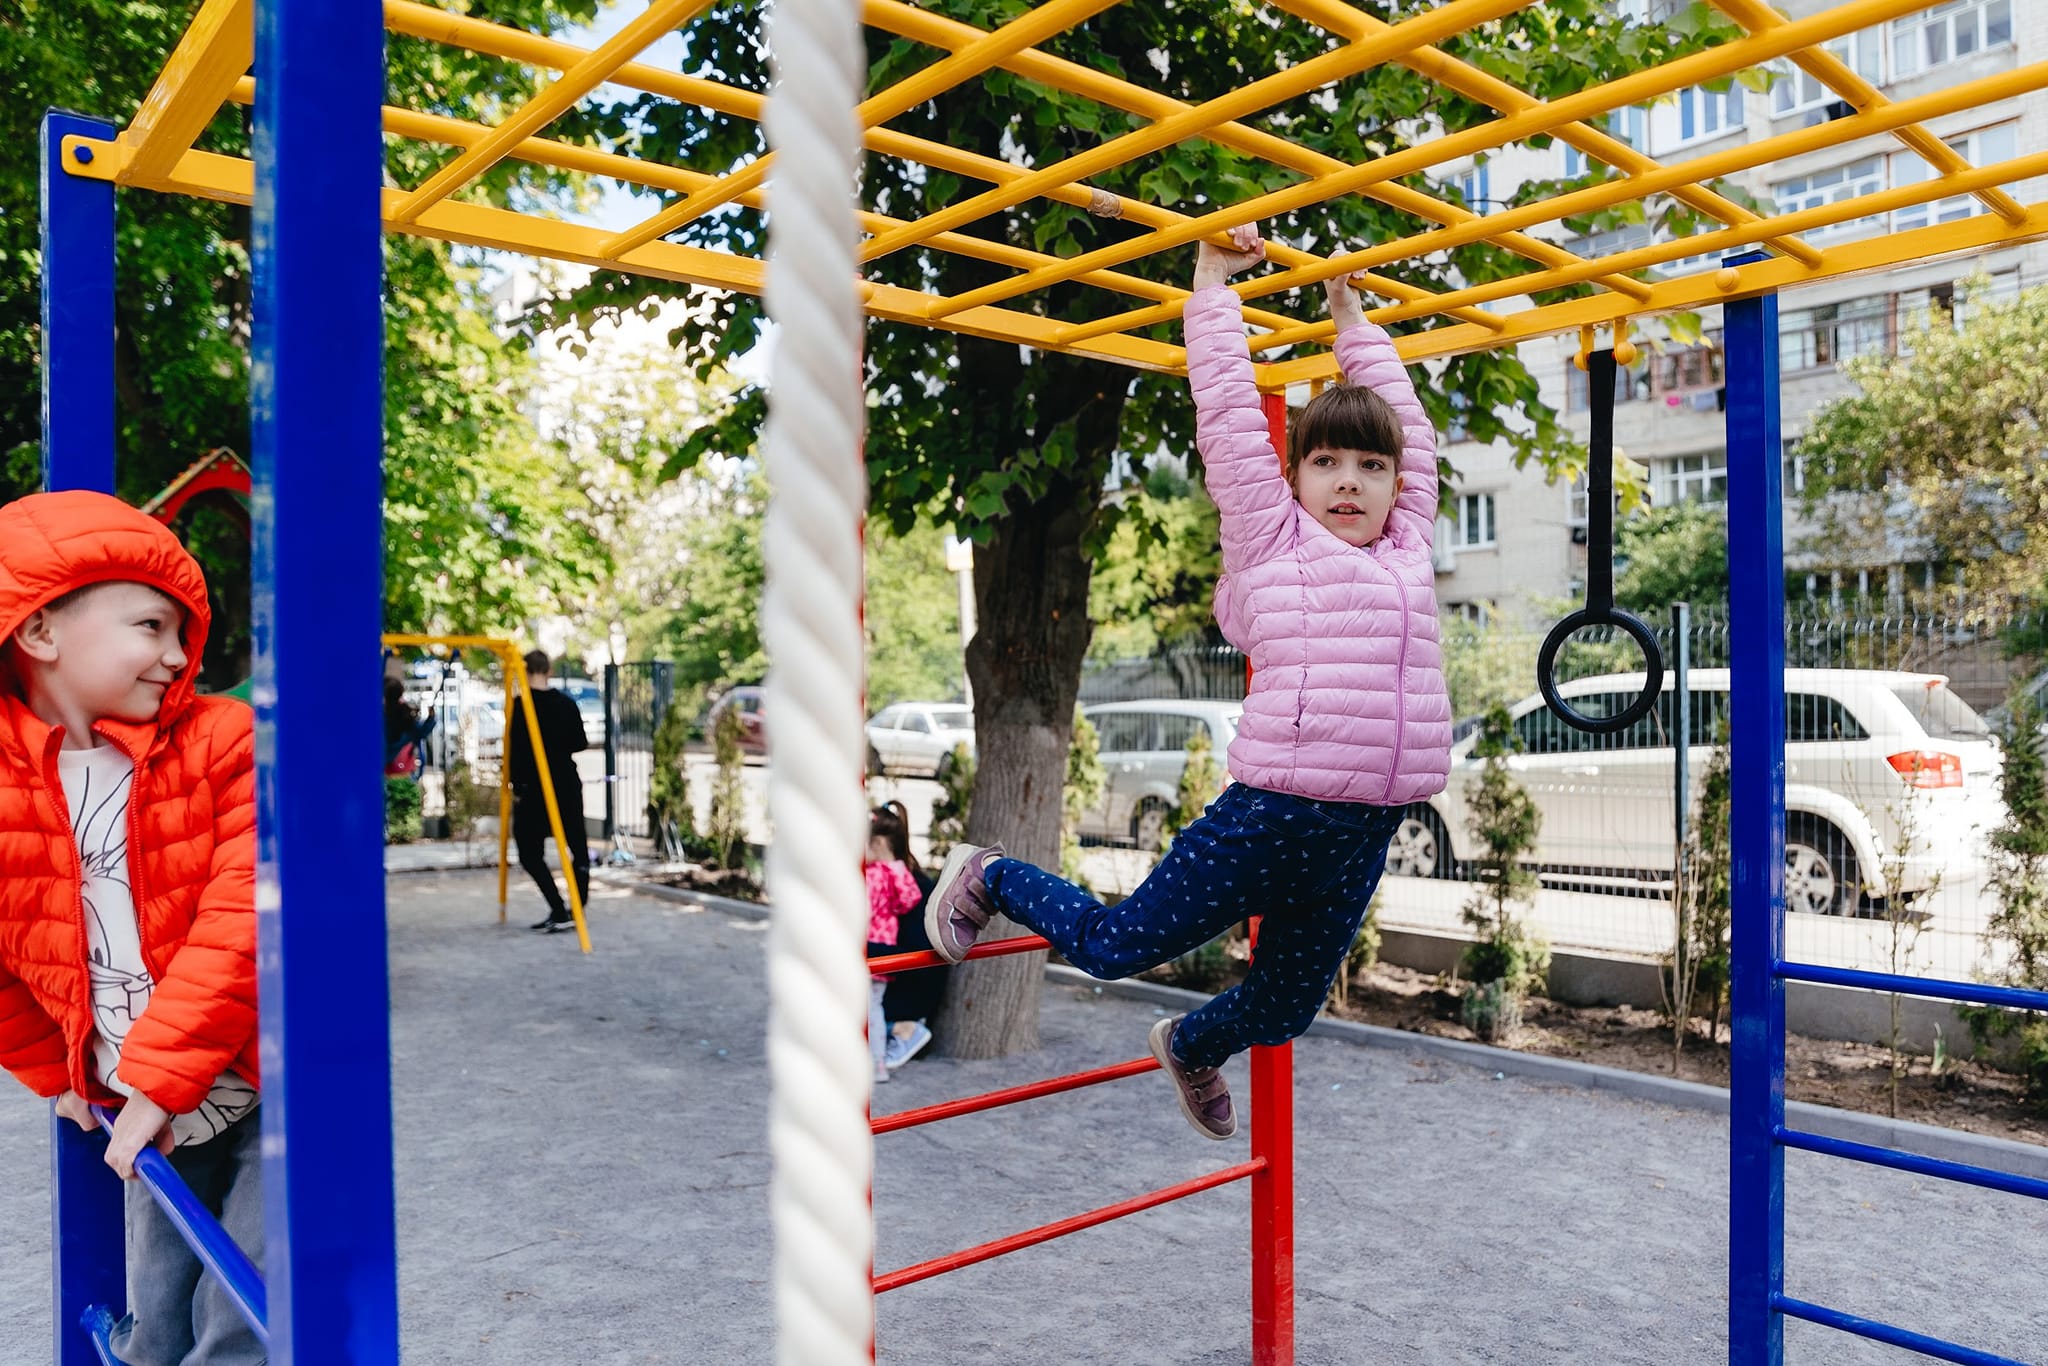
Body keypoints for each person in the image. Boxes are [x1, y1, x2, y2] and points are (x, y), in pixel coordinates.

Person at [925, 223, 1452, 1139]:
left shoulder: (1410, 544)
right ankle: (991, 873)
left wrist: (1350, 313)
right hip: (1271, 813)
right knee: (1114, 944)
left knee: (1288, 1010)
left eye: (1371, 466)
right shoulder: (1273, 536)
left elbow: (1408, 427)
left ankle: (1194, 1043)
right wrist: (1213, 287)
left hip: (1365, 828)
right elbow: (1230, 417)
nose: (1351, 482)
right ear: (1293, 477)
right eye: (1326, 462)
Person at [0, 489, 262, 1365]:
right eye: (152, 626)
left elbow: (242, 918)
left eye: (183, 634)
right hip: (140, 1105)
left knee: (248, 1316)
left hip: (264, 1083)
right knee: (155, 1313)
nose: (178, 655)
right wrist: (56, 1068)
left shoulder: (222, 742)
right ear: (40, 632)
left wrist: (156, 1077)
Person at [507, 650, 591, 934]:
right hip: (564, 782)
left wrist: (515, 785)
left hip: (533, 789)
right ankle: (576, 908)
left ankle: (559, 907)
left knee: (530, 852)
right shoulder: (566, 704)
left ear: (525, 669)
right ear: (549, 670)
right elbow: (580, 742)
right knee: (577, 848)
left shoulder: (521, 706)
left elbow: (513, 752)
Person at [873, 801, 942, 1070]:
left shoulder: (908, 887)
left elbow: (916, 956)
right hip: (895, 976)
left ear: (878, 844)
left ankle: (901, 1030)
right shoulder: (894, 879)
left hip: (910, 986)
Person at [863, 810, 922, 1085]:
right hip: (887, 947)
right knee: (873, 1007)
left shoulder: (872, 875)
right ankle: (878, 1065)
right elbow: (909, 900)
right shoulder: (898, 872)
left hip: (867, 948)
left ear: (877, 844)